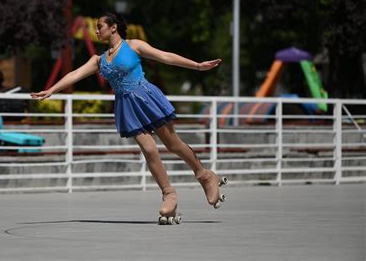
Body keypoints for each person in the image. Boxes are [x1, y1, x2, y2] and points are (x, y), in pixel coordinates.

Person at [31, 12, 226, 224]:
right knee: (149, 150)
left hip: (147, 98)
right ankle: (169, 194)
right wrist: (51, 90)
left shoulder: (133, 46)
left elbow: (165, 56)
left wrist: (197, 66)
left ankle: (205, 176)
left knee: (173, 144)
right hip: (127, 107)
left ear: (113, 27)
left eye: (100, 26)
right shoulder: (99, 60)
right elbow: (74, 75)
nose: (96, 31)